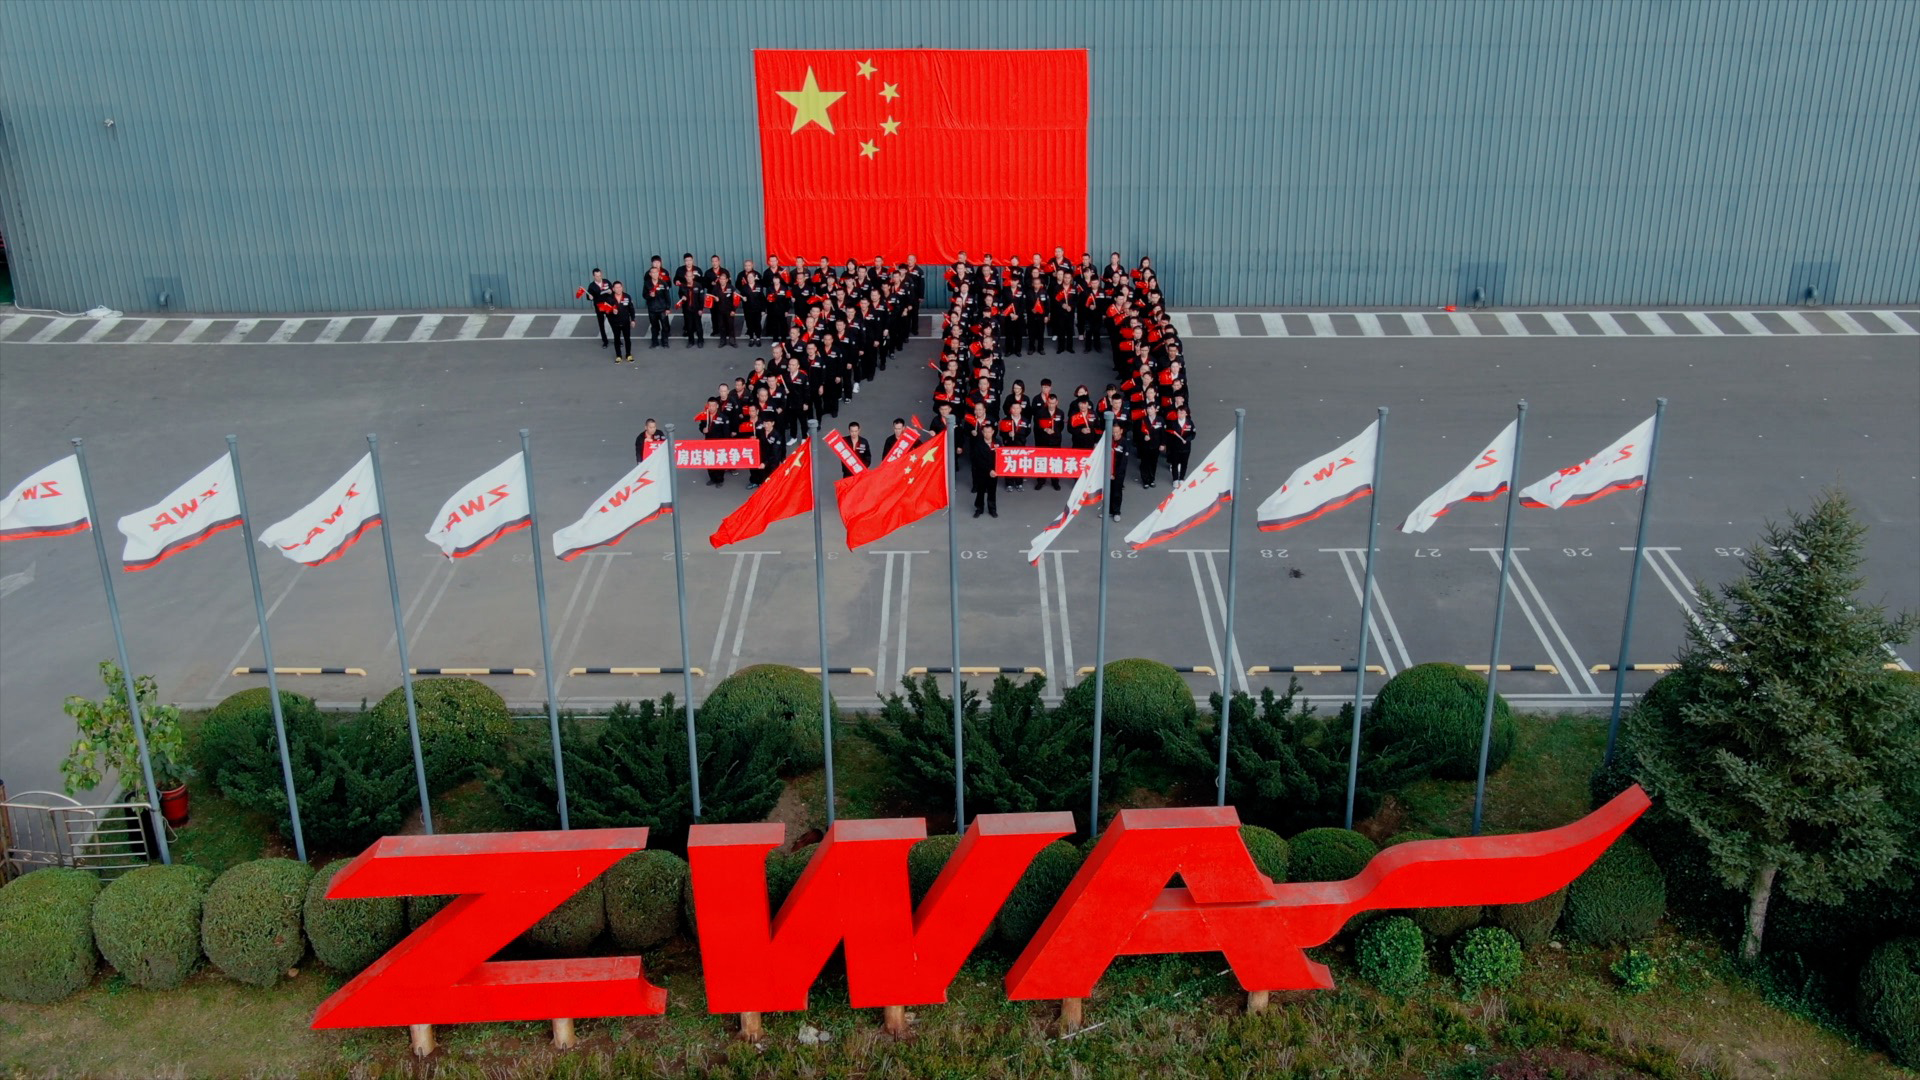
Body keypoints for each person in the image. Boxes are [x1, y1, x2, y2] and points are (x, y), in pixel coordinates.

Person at [697, 398, 729, 487]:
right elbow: (701, 426)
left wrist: (725, 444)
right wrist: (703, 430)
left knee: (719, 461)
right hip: (708, 442)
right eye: (709, 406)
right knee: (709, 460)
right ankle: (712, 478)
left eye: (713, 406)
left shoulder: (723, 417)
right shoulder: (705, 416)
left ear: (717, 406)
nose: (711, 408)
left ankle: (719, 480)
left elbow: (726, 432)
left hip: (720, 443)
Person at [676, 253, 707, 347]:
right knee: (689, 326)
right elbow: (680, 294)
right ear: (685, 277)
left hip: (696, 308)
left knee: (698, 325)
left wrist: (701, 309)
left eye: (690, 276)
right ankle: (691, 341)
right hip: (687, 308)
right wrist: (682, 297)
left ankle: (700, 341)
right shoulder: (683, 286)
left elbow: (701, 298)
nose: (689, 278)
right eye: (687, 276)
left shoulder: (698, 286)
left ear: (693, 277)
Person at [969, 423, 998, 518]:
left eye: (989, 432)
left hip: (994, 472)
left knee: (992, 491)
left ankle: (992, 509)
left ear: (993, 432)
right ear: (982, 432)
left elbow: (1001, 458)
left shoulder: (997, 443)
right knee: (980, 491)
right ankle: (979, 509)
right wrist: (989, 470)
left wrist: (996, 470)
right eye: (985, 432)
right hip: (981, 472)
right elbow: (978, 460)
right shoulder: (978, 444)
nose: (987, 434)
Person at [605, 280, 636, 362]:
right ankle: (618, 356)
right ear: (613, 289)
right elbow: (606, 311)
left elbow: (631, 309)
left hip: (625, 321)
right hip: (615, 322)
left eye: (620, 287)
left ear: (622, 288)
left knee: (627, 339)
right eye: (616, 287)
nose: (618, 289)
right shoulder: (609, 298)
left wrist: (633, 320)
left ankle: (628, 355)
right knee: (617, 339)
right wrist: (612, 311)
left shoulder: (627, 297)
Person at [643, 266, 673, 348]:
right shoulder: (647, 284)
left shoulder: (663, 283)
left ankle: (665, 342)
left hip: (662, 309)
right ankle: (654, 342)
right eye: (653, 272)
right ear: (650, 274)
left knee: (665, 326)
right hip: (652, 309)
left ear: (658, 273)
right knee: (654, 327)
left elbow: (667, 297)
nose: (655, 274)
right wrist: (650, 295)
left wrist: (668, 308)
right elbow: (644, 295)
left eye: (656, 272)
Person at [584, 268, 613, 349]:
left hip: (607, 305)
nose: (599, 277)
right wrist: (590, 297)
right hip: (599, 306)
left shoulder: (606, 281)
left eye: (600, 275)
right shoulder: (591, 286)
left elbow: (612, 290)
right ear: (593, 276)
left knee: (613, 322)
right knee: (601, 324)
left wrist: (611, 291)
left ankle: (617, 340)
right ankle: (605, 341)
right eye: (597, 276)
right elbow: (589, 296)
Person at [710, 273, 739, 347]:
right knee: (721, 326)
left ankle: (732, 341)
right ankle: (723, 341)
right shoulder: (716, 288)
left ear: (726, 280)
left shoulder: (731, 288)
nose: (722, 281)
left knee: (730, 326)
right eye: (720, 279)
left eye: (723, 279)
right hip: (719, 311)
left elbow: (735, 300)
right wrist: (715, 299)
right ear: (719, 280)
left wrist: (733, 310)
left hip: (729, 311)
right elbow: (712, 297)